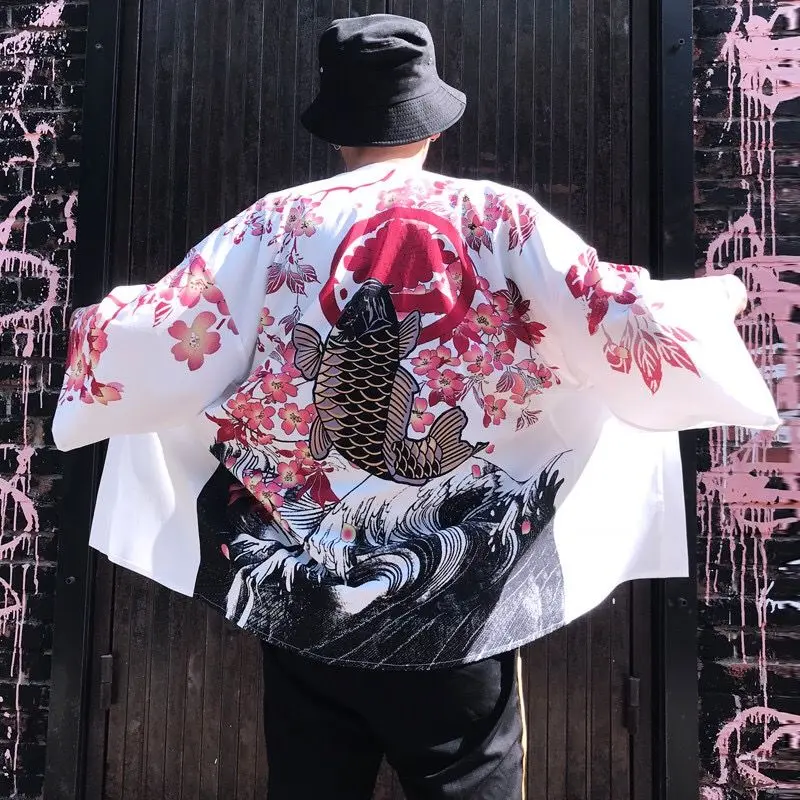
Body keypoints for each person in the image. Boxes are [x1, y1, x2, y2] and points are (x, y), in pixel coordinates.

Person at [52, 14, 779, 800]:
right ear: (432, 122)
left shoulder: (272, 223)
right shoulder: (500, 217)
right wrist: (715, 303)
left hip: (308, 595)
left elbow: (161, 332)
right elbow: (615, 312)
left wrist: (92, 327)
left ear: (336, 130)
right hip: (460, 604)